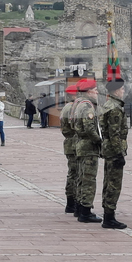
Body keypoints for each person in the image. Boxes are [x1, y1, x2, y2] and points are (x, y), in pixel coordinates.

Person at [100, 78, 128, 229]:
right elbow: (114, 133)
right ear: (116, 91)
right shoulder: (115, 108)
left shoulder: (108, 105)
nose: (123, 91)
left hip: (108, 149)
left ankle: (108, 214)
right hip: (113, 150)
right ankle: (109, 217)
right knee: (113, 183)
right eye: (122, 89)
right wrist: (119, 153)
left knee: (108, 181)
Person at [73, 78, 103, 222]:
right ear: (89, 91)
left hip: (81, 145)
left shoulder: (78, 104)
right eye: (95, 90)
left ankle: (80, 207)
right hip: (88, 147)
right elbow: (90, 128)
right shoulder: (87, 106)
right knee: (89, 180)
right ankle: (86, 211)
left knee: (81, 177)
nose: (97, 92)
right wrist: (99, 141)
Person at [59, 84, 80, 213]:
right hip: (73, 142)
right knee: (76, 174)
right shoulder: (72, 108)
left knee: (72, 173)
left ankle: (70, 202)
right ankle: (73, 202)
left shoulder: (66, 107)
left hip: (69, 142)